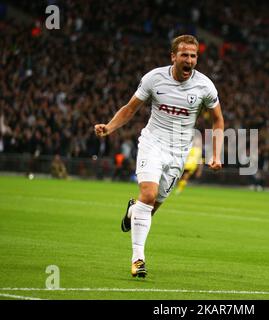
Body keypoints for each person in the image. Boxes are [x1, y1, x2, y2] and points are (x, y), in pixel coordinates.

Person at [94, 35, 224, 278]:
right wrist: (109, 127)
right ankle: (138, 259)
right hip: (153, 143)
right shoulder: (154, 78)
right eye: (184, 55)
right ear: (173, 57)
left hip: (179, 152)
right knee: (149, 194)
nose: (189, 60)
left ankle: (134, 211)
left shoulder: (205, 86)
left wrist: (215, 154)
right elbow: (131, 108)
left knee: (150, 206)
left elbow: (217, 119)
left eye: (193, 56)